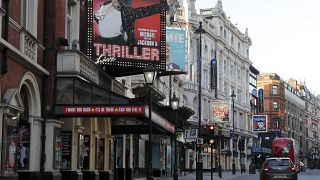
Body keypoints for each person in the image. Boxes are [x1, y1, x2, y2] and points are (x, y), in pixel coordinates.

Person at [94, 0, 169, 46]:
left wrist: (165, 6)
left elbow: (146, 11)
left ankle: (125, 34)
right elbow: (96, 17)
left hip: (111, 38)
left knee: (129, 17)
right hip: (104, 38)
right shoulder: (105, 4)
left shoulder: (126, 12)